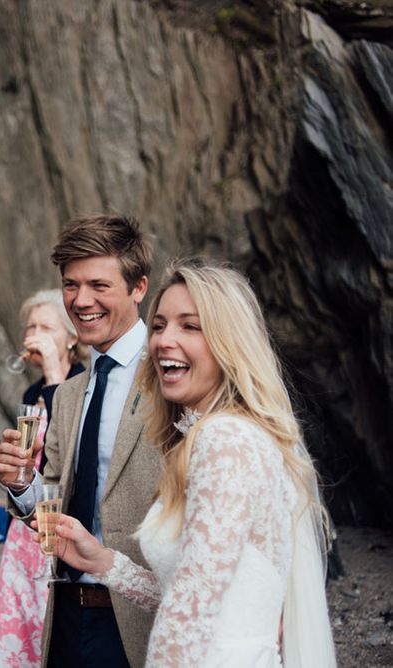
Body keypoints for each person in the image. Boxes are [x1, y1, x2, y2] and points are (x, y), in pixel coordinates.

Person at [50, 259, 336, 667]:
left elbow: (190, 613)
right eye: (160, 325)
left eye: (190, 326)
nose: (164, 340)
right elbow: (185, 590)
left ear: (229, 342)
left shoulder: (226, 440)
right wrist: (102, 561)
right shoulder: (212, 436)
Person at [0, 215, 163, 668]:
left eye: (98, 285)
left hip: (142, 621)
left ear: (138, 287)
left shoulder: (170, 373)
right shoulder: (67, 394)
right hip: (63, 615)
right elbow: (55, 517)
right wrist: (22, 486)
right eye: (70, 285)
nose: (81, 301)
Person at [0, 289, 85, 668]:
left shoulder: (81, 381)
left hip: (62, 521)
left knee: (51, 621)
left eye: (46, 327)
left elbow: (72, 443)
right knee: (20, 614)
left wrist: (54, 373)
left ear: (72, 336)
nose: (34, 335)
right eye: (30, 327)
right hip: (26, 525)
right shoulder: (32, 390)